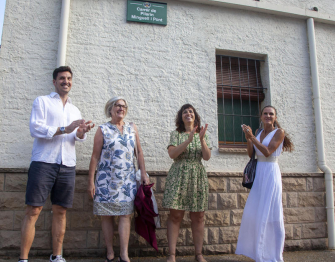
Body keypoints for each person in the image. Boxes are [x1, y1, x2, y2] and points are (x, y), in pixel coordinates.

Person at [19, 66, 95, 262]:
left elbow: (76, 137)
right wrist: (65, 128)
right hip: (43, 162)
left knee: (60, 211)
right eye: (62, 78)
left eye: (69, 78)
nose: (66, 81)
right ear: (54, 81)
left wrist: (81, 131)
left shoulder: (74, 109)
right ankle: (23, 259)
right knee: (33, 210)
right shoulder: (42, 101)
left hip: (67, 165)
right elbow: (35, 128)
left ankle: (56, 256)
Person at [87, 97, 150, 262]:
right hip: (105, 180)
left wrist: (143, 173)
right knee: (106, 215)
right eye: (118, 105)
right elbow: (94, 157)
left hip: (127, 181)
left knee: (125, 215)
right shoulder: (102, 129)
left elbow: (139, 152)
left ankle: (124, 254)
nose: (121, 108)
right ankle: (110, 252)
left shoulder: (132, 128)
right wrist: (90, 181)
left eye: (124, 106)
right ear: (110, 109)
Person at [236, 105, 294, 262]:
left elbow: (268, 152)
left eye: (271, 114)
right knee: (255, 212)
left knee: (271, 212)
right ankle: (258, 253)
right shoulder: (258, 132)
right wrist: (249, 138)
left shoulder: (279, 132)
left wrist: (252, 138)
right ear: (261, 116)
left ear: (275, 117)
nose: (268, 116)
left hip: (270, 172)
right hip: (259, 172)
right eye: (265, 113)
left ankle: (274, 254)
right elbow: (251, 154)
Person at [162, 104, 211, 262]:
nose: (188, 113)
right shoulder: (176, 134)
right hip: (178, 176)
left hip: (197, 175)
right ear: (181, 117)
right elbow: (172, 154)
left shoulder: (202, 134)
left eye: (191, 111)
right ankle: (171, 255)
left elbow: (207, 156)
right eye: (185, 112)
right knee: (175, 215)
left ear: (195, 116)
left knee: (198, 216)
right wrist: (188, 140)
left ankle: (198, 254)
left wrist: (201, 139)